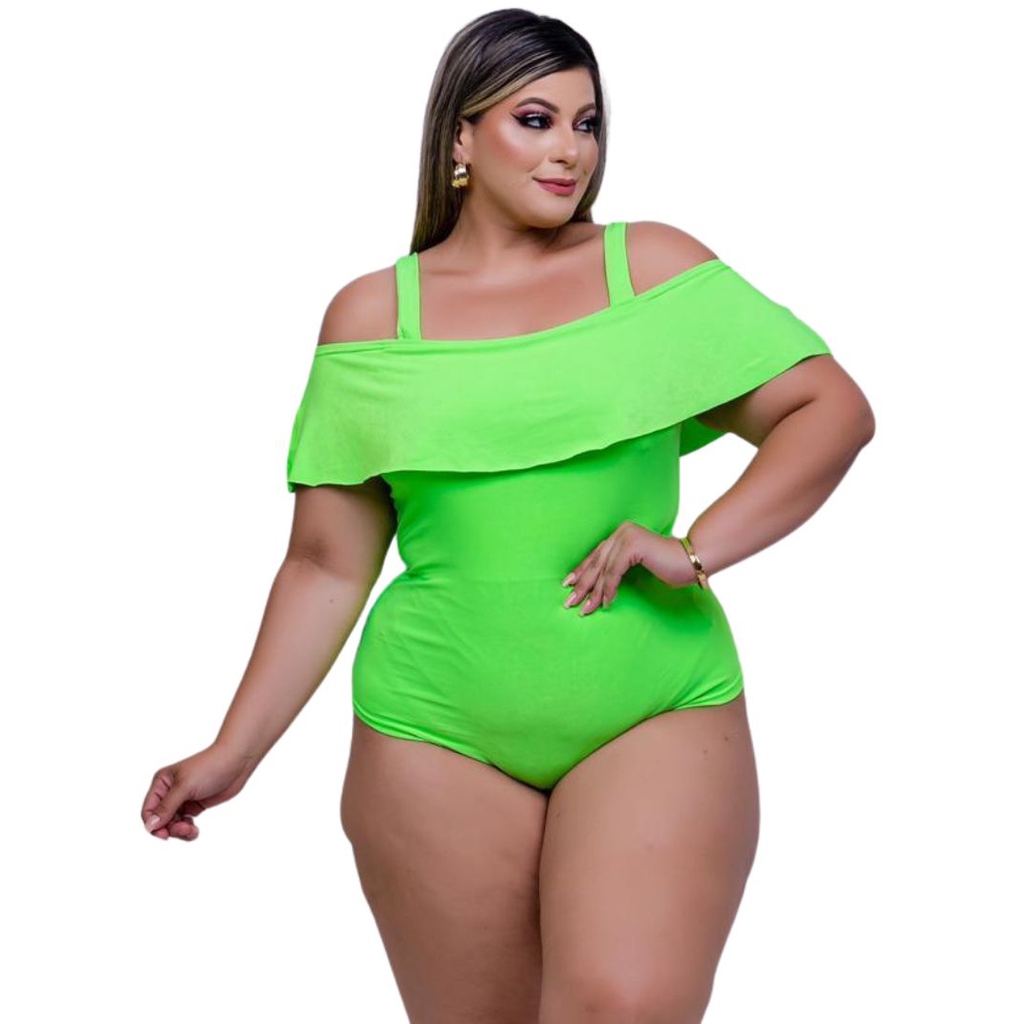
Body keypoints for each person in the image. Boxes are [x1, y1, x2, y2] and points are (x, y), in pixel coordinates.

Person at [141, 8, 875, 1022]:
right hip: (432, 726)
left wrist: (697, 547)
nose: (570, 149)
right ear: (460, 136)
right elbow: (325, 564)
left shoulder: (648, 270)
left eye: (587, 123)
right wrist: (233, 751)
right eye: (536, 120)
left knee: (622, 1006)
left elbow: (829, 409)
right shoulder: (373, 317)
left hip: (651, 704)